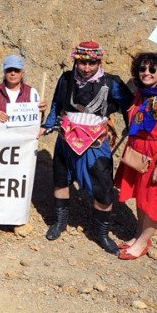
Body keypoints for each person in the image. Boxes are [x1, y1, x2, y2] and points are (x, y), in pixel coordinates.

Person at [41, 41, 133, 254]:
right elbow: (57, 104)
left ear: (99, 61)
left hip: (95, 143)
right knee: (61, 180)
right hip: (66, 138)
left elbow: (130, 107)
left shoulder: (112, 83)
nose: (86, 67)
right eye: (82, 62)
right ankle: (60, 222)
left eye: (92, 63)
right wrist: (48, 125)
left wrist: (132, 129)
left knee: (103, 189)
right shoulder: (66, 79)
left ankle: (102, 233)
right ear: (76, 61)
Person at [113, 52, 157, 259]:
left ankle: (143, 242)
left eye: (152, 69)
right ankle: (139, 235)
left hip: (156, 157)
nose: (146, 73)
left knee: (153, 202)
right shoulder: (143, 95)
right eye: (143, 68)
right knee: (141, 198)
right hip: (138, 154)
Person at [0, 55, 45, 122]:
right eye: (9, 70)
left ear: (22, 73)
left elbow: (39, 120)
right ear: (4, 72)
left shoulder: (32, 92)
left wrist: (42, 111)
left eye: (16, 70)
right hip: (1, 132)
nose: (13, 73)